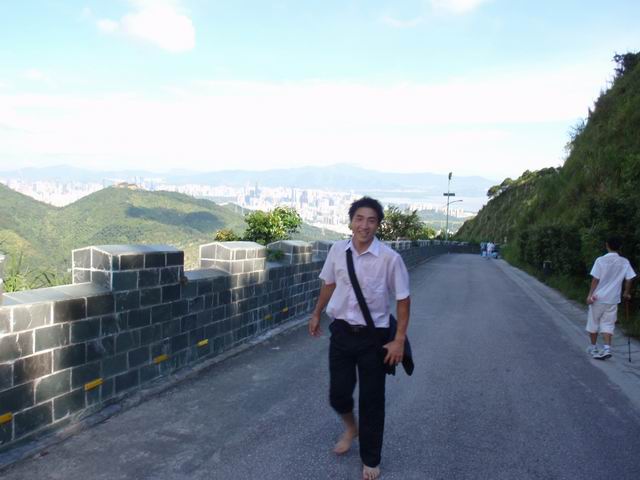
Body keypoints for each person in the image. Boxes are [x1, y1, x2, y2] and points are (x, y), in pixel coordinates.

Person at [308, 196, 410, 480]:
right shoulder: (338, 250)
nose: (364, 225)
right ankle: (351, 427)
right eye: (359, 219)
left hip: (373, 338)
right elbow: (329, 284)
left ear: (378, 225)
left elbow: (403, 300)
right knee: (338, 394)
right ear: (351, 222)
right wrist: (316, 313)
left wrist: (399, 340)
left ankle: (371, 458)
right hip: (341, 331)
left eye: (371, 220)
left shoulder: (390, 259)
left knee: (371, 400)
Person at [586, 237, 636, 359]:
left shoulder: (600, 260)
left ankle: (593, 348)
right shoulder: (624, 262)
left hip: (598, 298)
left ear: (607, 245)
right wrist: (626, 292)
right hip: (613, 299)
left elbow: (595, 279)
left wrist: (589, 295)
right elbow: (630, 278)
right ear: (619, 247)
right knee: (608, 324)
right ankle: (607, 349)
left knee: (593, 323)